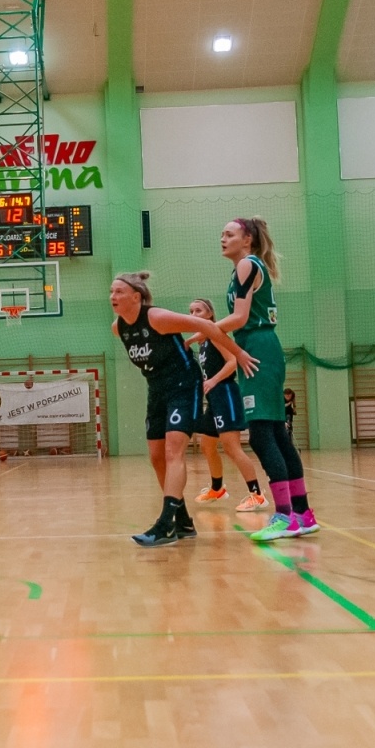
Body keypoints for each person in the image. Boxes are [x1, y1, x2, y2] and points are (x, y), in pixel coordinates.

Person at [110, 271, 254, 546]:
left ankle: (165, 524)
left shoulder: (157, 317)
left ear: (136, 297)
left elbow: (210, 327)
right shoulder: (119, 327)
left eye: (119, 291)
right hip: (157, 389)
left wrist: (238, 354)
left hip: (185, 384)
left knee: (173, 450)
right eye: (111, 292)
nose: (113, 297)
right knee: (156, 456)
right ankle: (184, 521)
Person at [216, 217, 320, 542]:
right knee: (276, 433)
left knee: (261, 435)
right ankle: (302, 514)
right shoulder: (244, 267)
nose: (222, 238)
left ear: (246, 239)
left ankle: (285, 516)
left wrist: (201, 330)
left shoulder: (247, 264)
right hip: (259, 345)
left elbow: (241, 318)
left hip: (258, 345)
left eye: (229, 234)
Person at [184, 298, 267, 512]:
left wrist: (213, 380)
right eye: (191, 311)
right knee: (207, 445)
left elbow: (232, 362)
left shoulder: (216, 336)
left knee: (231, 447)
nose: (194, 314)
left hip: (226, 393)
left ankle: (257, 494)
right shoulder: (203, 340)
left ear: (210, 314)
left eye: (199, 310)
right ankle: (217, 488)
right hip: (213, 398)